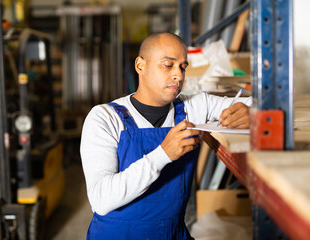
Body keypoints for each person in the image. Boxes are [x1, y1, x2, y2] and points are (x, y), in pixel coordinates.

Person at [80, 32, 250, 240]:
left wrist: (251, 113)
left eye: (183, 67)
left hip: (172, 234)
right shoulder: (105, 118)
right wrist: (163, 154)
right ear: (140, 66)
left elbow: (258, 104)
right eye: (168, 65)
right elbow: (101, 199)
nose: (178, 75)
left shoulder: (192, 106)